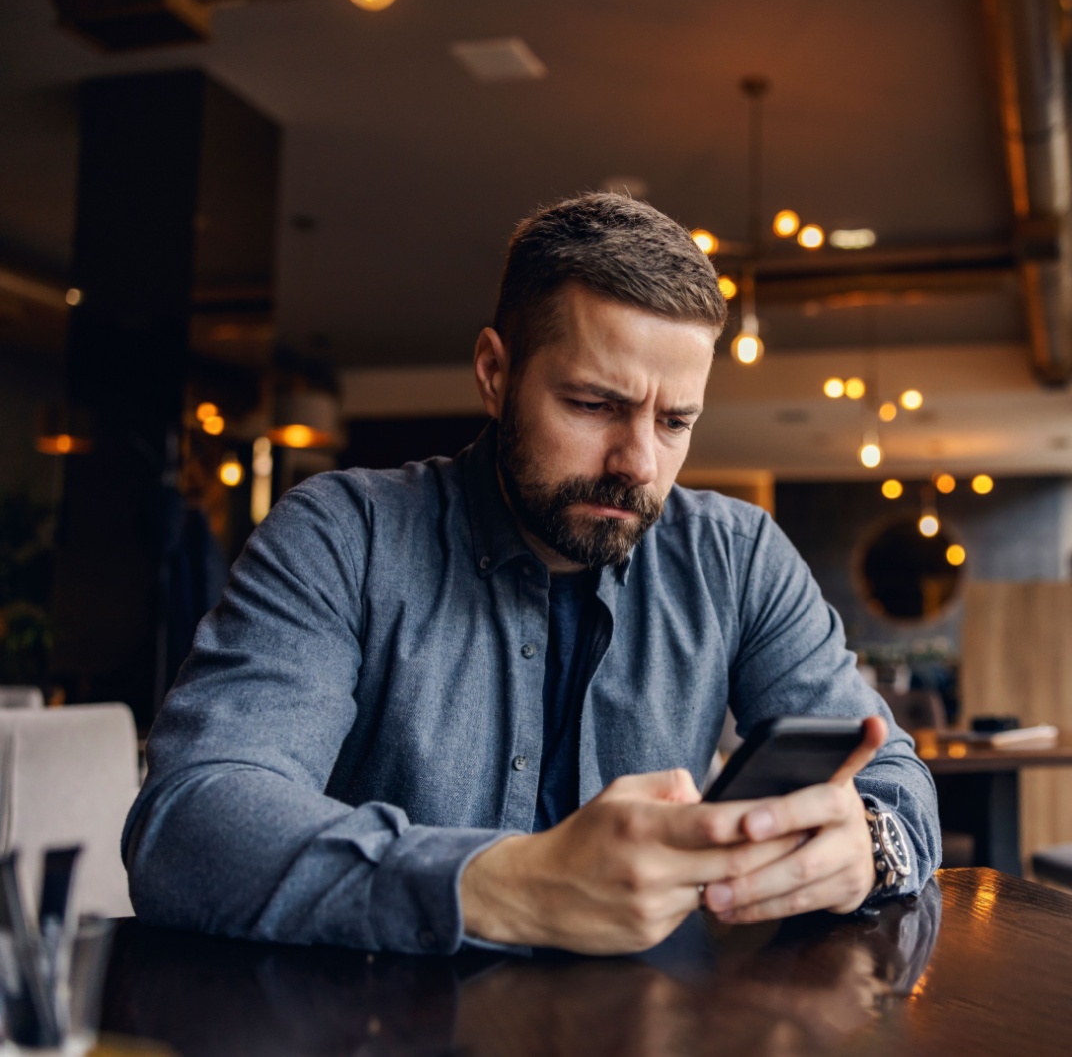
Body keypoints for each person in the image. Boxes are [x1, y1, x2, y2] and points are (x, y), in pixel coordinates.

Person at [122, 194, 939, 955]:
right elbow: (190, 824)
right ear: (494, 373)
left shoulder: (738, 555)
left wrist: (868, 845)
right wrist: (502, 885)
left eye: (675, 420)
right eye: (593, 404)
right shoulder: (344, 535)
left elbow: (896, 778)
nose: (638, 464)